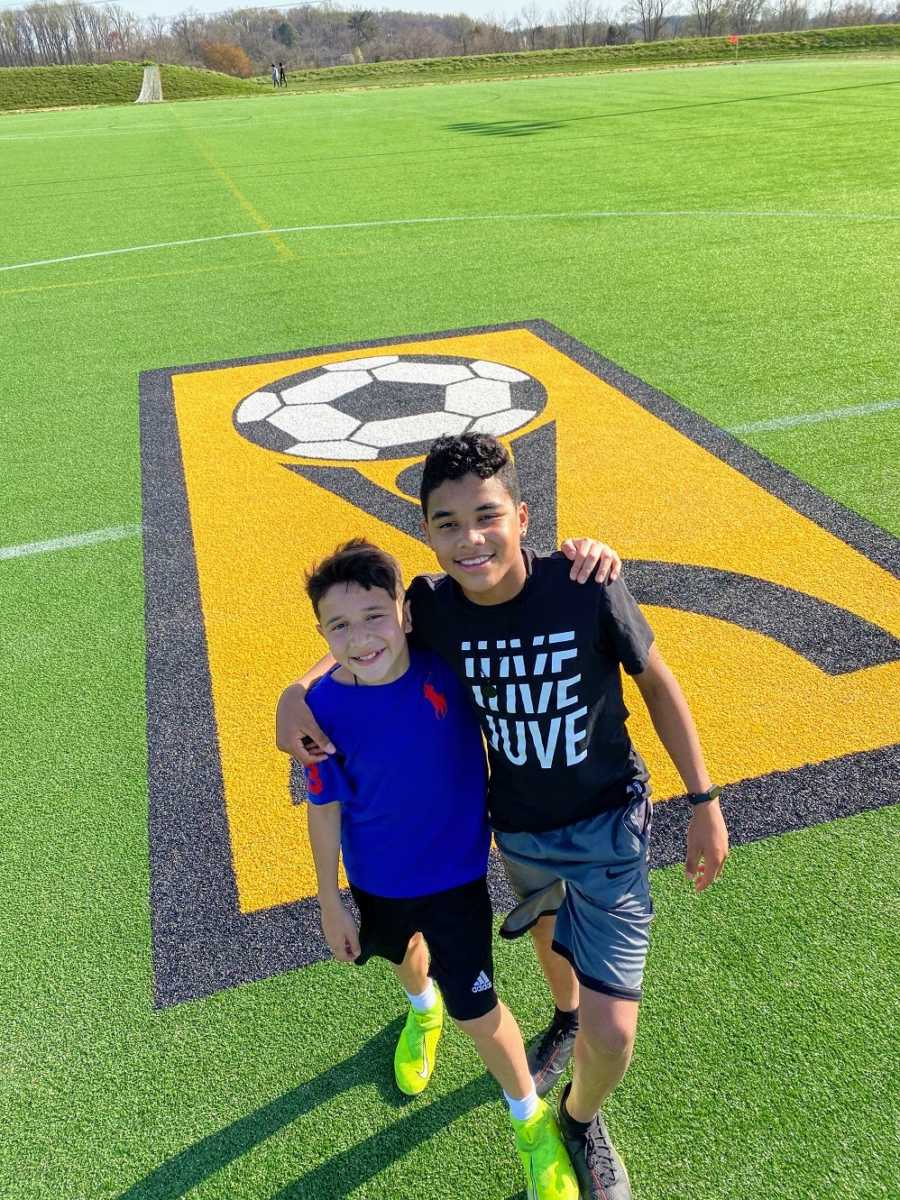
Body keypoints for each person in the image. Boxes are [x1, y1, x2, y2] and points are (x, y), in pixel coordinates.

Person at [278, 434, 730, 1200]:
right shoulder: (434, 607)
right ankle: (560, 1017)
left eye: (487, 516)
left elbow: (657, 684)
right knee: (552, 947)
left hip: (608, 826)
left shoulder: (585, 583)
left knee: (614, 1033)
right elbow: (365, 637)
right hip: (517, 829)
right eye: (447, 523)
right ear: (427, 532)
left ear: (523, 516)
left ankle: (580, 1121)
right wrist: (295, 693)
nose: (470, 537)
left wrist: (704, 800)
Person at [301, 538, 579, 1200]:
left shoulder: (446, 668)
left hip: (457, 883)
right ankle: (419, 1012)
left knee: (479, 1012)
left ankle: (530, 1121)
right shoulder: (320, 712)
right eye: (339, 626)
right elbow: (323, 808)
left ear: (404, 612)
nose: (360, 638)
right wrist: (329, 900)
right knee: (403, 955)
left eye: (374, 616)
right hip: (375, 882)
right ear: (321, 633)